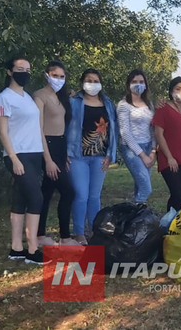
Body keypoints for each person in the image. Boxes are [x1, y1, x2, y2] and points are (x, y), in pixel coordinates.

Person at [0, 57, 49, 264]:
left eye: (27, 69)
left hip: (34, 154)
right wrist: (14, 158)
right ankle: (33, 249)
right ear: (10, 72)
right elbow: (2, 132)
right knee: (37, 199)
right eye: (20, 69)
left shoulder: (27, 97)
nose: (24, 73)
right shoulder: (3, 98)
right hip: (18, 155)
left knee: (20, 199)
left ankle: (16, 248)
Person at [67, 68, 117, 245]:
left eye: (96, 81)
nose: (92, 84)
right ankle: (79, 232)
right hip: (77, 156)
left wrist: (110, 154)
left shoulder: (108, 103)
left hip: (100, 157)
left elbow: (113, 131)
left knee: (95, 195)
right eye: (89, 80)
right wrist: (65, 152)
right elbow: (65, 127)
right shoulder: (73, 102)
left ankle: (94, 230)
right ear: (82, 82)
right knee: (81, 194)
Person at [33, 61, 79, 246]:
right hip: (47, 145)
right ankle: (65, 237)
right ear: (46, 75)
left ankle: (40, 234)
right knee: (68, 192)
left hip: (60, 145)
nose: (58, 79)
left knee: (47, 191)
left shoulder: (60, 96)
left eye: (62, 76)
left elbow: (63, 122)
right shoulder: (39, 96)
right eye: (55, 75)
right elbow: (38, 129)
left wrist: (63, 152)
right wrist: (48, 160)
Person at [153, 77, 181, 212]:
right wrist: (169, 157)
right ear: (171, 91)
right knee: (178, 194)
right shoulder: (163, 109)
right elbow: (159, 134)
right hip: (169, 159)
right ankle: (177, 224)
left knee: (179, 195)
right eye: (178, 89)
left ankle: (171, 224)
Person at [117, 69, 156, 204]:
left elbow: (152, 128)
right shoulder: (123, 105)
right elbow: (125, 133)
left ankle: (138, 221)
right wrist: (142, 155)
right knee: (146, 188)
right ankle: (131, 214)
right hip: (131, 149)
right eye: (134, 82)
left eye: (141, 82)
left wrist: (153, 151)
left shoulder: (149, 104)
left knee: (140, 187)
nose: (138, 85)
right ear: (128, 85)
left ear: (145, 84)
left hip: (147, 146)